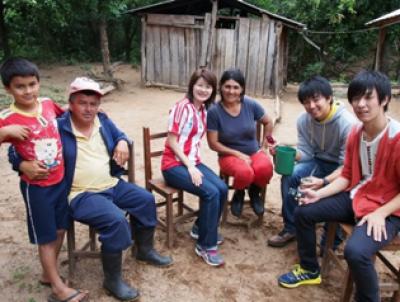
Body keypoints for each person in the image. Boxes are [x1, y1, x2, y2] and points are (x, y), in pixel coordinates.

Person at [13, 77, 173, 301]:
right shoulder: (56, 126)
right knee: (116, 220)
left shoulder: (103, 121)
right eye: (82, 102)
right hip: (80, 194)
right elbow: (18, 149)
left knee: (145, 199)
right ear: (70, 103)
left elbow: (120, 134)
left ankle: (144, 250)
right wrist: (21, 164)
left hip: (111, 184)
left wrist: (122, 142)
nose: (89, 109)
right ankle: (112, 279)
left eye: (93, 103)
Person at [278, 70, 400, 302]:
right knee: (304, 211)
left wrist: (380, 213)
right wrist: (319, 193)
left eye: (367, 98)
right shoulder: (356, 132)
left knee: (355, 252)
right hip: (359, 196)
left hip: (389, 209)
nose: (360, 104)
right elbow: (347, 175)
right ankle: (310, 269)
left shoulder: (397, 137)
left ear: (384, 100)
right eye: (356, 98)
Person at [0, 58, 88, 302]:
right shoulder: (7, 117)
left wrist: (91, 109)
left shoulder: (48, 104)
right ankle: (59, 289)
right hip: (37, 188)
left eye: (32, 84)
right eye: (20, 86)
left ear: (39, 83)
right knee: (46, 236)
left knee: (60, 229)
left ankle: (48, 275)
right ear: (8, 88)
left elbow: (67, 113)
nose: (28, 91)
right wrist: (5, 133)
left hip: (59, 181)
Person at [267, 75, 356, 248]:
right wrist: (287, 153)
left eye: (316, 100)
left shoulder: (347, 124)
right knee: (290, 176)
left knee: (337, 191)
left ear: (329, 97)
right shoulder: (303, 120)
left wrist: (324, 181)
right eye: (306, 102)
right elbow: (306, 153)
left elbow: (346, 166)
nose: (312, 106)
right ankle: (291, 227)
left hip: (340, 169)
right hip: (317, 162)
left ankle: (332, 240)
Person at [162, 68, 228, 267]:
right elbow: (172, 141)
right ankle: (205, 246)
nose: (203, 90)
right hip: (173, 165)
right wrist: (190, 166)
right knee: (210, 193)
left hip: (193, 161)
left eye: (208, 87)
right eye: (200, 85)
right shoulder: (182, 107)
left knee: (222, 188)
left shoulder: (204, 110)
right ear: (192, 86)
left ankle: (200, 227)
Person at [207, 68, 274, 218]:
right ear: (221, 87)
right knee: (244, 172)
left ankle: (254, 191)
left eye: (236, 87)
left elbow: (268, 122)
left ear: (242, 89)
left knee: (266, 167)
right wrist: (237, 154)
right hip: (228, 156)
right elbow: (213, 143)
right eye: (227, 86)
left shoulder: (250, 104)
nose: (231, 91)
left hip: (253, 151)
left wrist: (264, 146)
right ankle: (239, 192)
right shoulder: (214, 111)